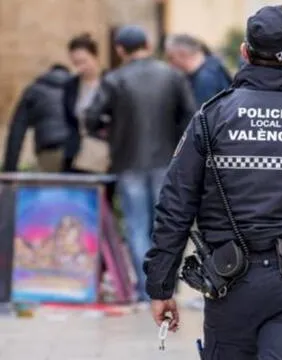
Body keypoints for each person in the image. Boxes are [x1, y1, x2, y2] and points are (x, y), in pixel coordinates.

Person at [143, 5, 282, 359]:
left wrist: (160, 284)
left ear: (245, 52)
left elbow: (175, 205)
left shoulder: (211, 116)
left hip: (229, 282)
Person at [85, 25, 196, 302]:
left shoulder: (114, 79)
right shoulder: (173, 76)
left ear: (120, 49)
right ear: (148, 42)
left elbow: (91, 117)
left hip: (127, 161)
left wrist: (108, 130)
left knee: (136, 226)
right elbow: (191, 118)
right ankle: (165, 284)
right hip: (167, 162)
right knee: (166, 225)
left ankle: (148, 291)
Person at [3, 64, 71, 172]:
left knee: (50, 187)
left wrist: (10, 169)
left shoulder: (34, 90)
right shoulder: (77, 89)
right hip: (77, 152)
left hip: (49, 150)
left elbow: (16, 132)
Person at [62, 33, 107, 173]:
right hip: (78, 153)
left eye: (83, 61)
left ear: (95, 57)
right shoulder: (71, 86)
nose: (80, 67)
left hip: (106, 152)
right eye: (75, 63)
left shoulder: (110, 82)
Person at [164, 34, 232, 107]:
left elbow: (203, 115)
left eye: (171, 57)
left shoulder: (206, 79)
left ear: (183, 53)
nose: (169, 64)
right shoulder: (212, 67)